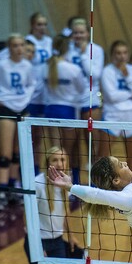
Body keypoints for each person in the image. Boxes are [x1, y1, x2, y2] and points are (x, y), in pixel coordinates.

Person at [0, 33, 36, 208]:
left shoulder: (27, 65)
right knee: (6, 153)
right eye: (15, 45)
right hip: (5, 109)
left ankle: (12, 188)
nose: (19, 49)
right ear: (9, 48)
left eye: (21, 45)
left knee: (18, 153)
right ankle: (2, 192)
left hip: (23, 109)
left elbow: (32, 84)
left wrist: (25, 98)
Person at [43, 34, 87, 184]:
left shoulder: (45, 67)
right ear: (67, 49)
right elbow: (82, 89)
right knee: (67, 152)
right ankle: (70, 185)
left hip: (50, 110)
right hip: (68, 111)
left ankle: (54, 185)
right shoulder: (73, 69)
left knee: (55, 151)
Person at [101, 40, 132, 184]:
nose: (122, 56)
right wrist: (130, 94)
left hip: (131, 115)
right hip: (112, 116)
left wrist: (128, 76)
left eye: (124, 53)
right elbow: (112, 96)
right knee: (103, 155)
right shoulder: (107, 71)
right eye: (118, 53)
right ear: (113, 54)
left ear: (129, 54)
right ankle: (101, 184)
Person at [67, 17, 106, 158]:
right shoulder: (67, 49)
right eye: (75, 33)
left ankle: (95, 178)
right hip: (71, 101)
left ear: (87, 33)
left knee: (92, 142)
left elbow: (95, 75)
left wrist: (84, 55)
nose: (78, 36)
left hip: (90, 100)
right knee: (73, 144)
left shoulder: (96, 50)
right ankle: (75, 177)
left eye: (81, 32)